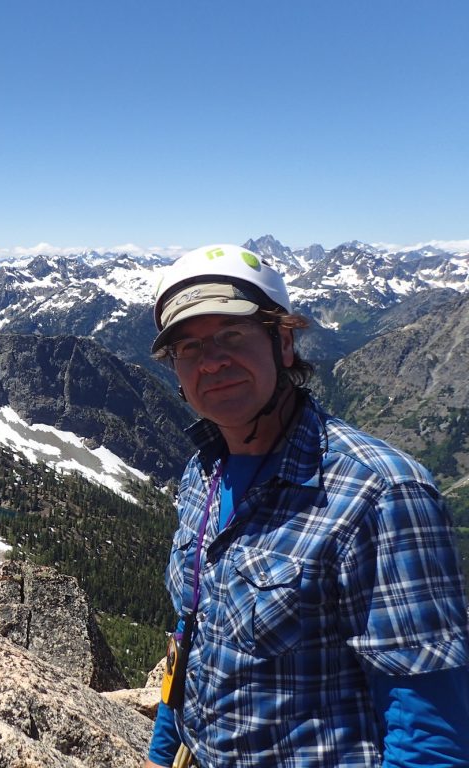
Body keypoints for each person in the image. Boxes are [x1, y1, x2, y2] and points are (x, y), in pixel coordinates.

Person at [144, 244, 469, 767]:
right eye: (188, 347)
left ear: (285, 343)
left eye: (232, 334)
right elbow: (190, 639)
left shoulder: (382, 493)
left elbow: (430, 736)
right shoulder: (203, 474)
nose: (213, 361)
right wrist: (160, 756)